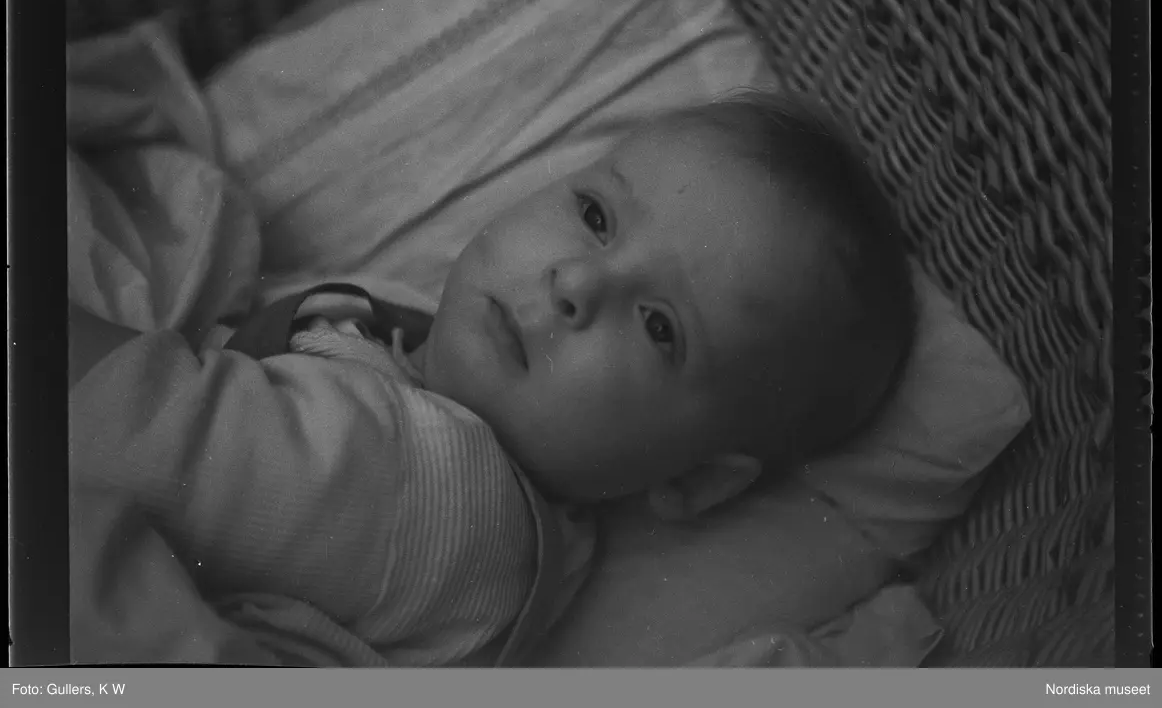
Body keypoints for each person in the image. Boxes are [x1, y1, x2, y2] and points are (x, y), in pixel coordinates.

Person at [69, 90, 916, 666]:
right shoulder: (424, 349)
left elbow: (139, 426)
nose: (576, 282)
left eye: (660, 326)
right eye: (595, 216)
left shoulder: (442, 492)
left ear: (693, 481)